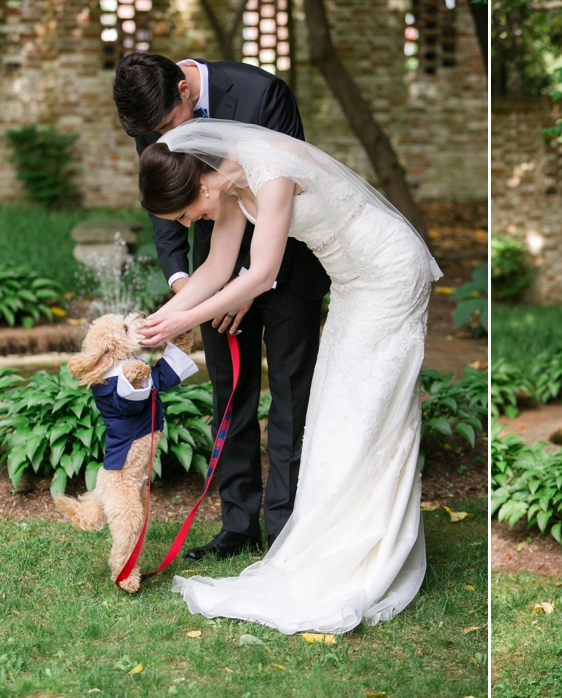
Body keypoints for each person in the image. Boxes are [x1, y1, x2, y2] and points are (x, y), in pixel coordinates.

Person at [136, 118, 441, 634]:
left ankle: (371, 548)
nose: (190, 224)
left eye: (188, 214)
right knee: (335, 408)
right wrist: (161, 318)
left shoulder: (269, 169)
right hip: (352, 284)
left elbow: (259, 274)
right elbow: (215, 267)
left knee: (369, 410)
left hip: (389, 273)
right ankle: (329, 539)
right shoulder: (227, 184)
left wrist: (188, 320)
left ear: (202, 184)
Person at [113, 53, 330, 559]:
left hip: (286, 268)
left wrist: (240, 285)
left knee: (290, 398)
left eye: (169, 126)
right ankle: (238, 525)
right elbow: (164, 193)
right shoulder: (153, 114)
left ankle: (284, 527)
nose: (167, 138)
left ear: (185, 91)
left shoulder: (263, 95)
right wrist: (184, 284)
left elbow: (279, 197)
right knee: (229, 398)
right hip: (213, 261)